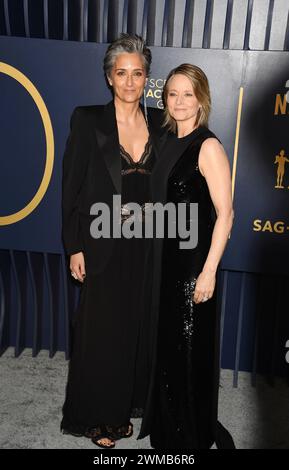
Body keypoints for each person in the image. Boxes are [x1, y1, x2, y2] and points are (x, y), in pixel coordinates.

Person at [60, 34, 166, 448]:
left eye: (137, 73)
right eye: (121, 73)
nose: (129, 82)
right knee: (101, 334)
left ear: (145, 79)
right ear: (108, 77)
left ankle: (127, 407)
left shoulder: (161, 122)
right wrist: (75, 246)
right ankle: (100, 418)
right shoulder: (88, 120)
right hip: (101, 243)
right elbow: (71, 188)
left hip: (148, 244)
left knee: (137, 329)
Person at [141, 64, 235, 448]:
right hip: (163, 262)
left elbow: (226, 215)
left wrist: (209, 272)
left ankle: (190, 435)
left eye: (188, 95)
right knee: (165, 349)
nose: (179, 102)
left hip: (193, 266)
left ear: (201, 100)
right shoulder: (163, 140)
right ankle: (166, 427)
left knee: (189, 352)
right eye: (173, 94)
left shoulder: (208, 146)